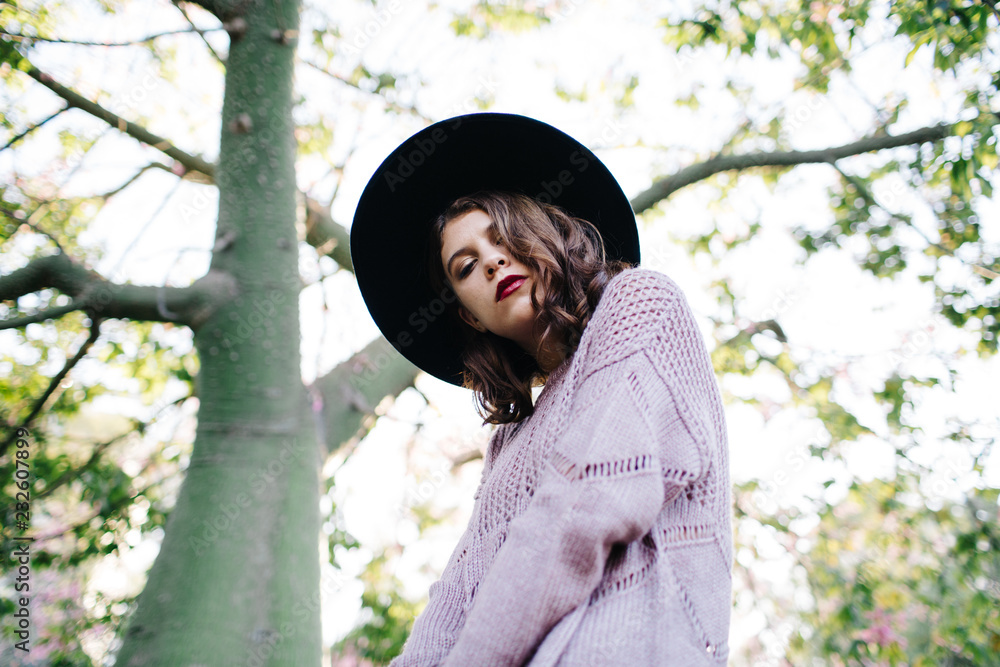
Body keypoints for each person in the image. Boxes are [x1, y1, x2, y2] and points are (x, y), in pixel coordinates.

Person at [351, 113, 732, 665]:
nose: (492, 261)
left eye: (502, 237)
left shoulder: (640, 304)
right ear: (472, 319)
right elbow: (461, 592)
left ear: (545, 233)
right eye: (465, 266)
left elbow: (583, 505)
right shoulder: (510, 440)